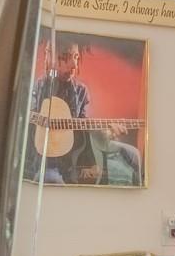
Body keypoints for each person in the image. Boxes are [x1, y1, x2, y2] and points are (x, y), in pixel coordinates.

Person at [31, 40, 142, 185]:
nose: (74, 65)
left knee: (134, 155)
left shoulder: (80, 91)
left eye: (76, 57)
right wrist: (42, 122)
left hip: (76, 154)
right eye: (66, 57)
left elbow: (84, 130)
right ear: (50, 57)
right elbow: (27, 119)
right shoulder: (39, 86)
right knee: (53, 180)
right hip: (49, 160)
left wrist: (106, 132)